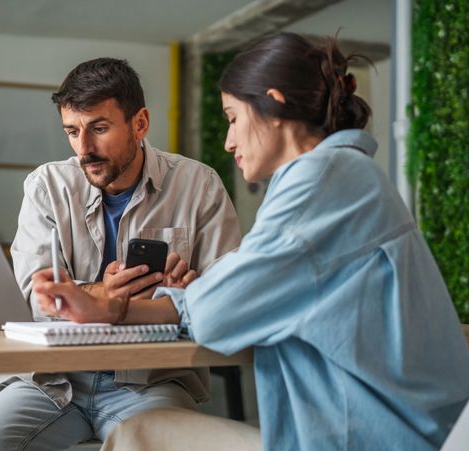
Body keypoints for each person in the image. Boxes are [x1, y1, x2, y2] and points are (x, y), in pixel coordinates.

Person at [38, 34, 469, 451]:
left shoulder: (318, 185)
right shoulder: (349, 176)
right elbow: (238, 291)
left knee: (139, 434)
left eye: (232, 118)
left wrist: (119, 308)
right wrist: (185, 297)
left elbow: (219, 310)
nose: (228, 141)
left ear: (274, 105)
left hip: (368, 440)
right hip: (407, 432)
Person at [0, 58, 241, 450]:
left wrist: (188, 294)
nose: (84, 149)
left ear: (140, 123)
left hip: (152, 381)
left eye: (99, 128)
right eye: (72, 132)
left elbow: (227, 296)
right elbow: (35, 295)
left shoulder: (199, 185)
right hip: (51, 379)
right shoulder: (46, 186)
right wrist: (104, 293)